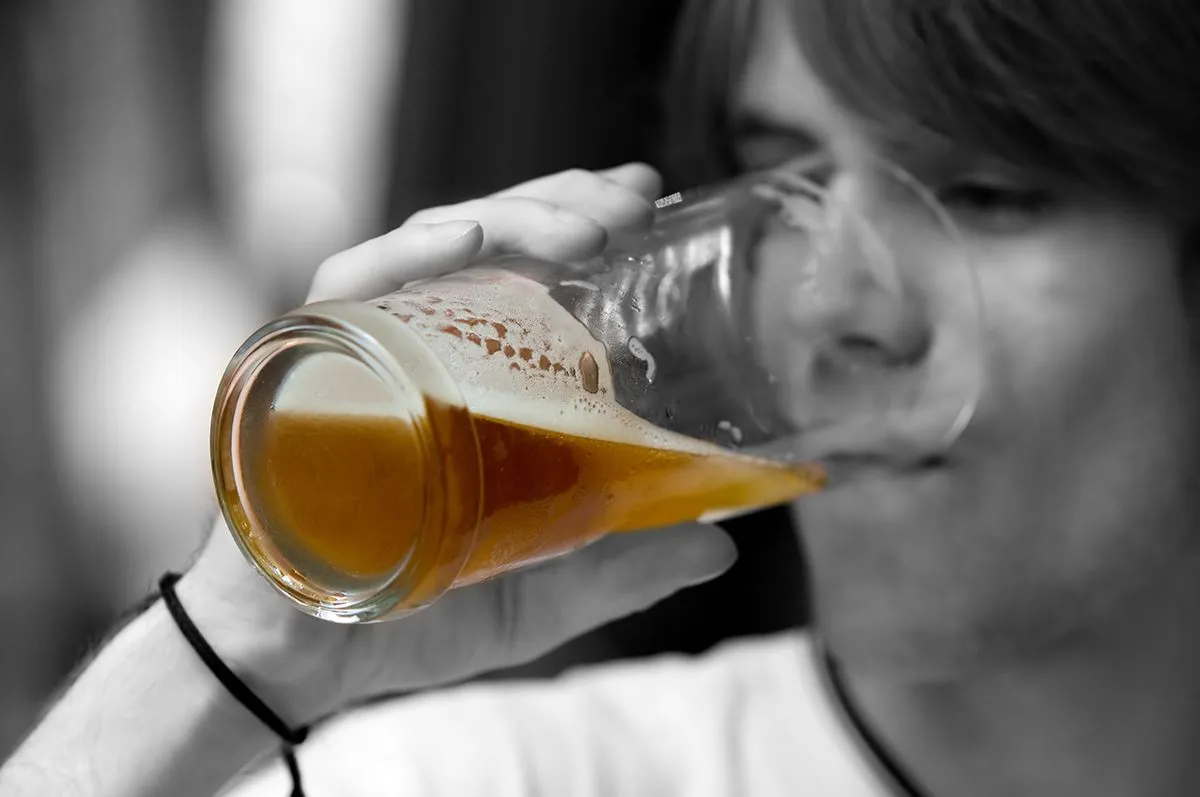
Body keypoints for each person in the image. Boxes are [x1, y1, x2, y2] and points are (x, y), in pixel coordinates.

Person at [5, 0, 1200, 794]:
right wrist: (236, 652)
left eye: (986, 191)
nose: (839, 303)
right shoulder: (508, 777)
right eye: (782, 173)